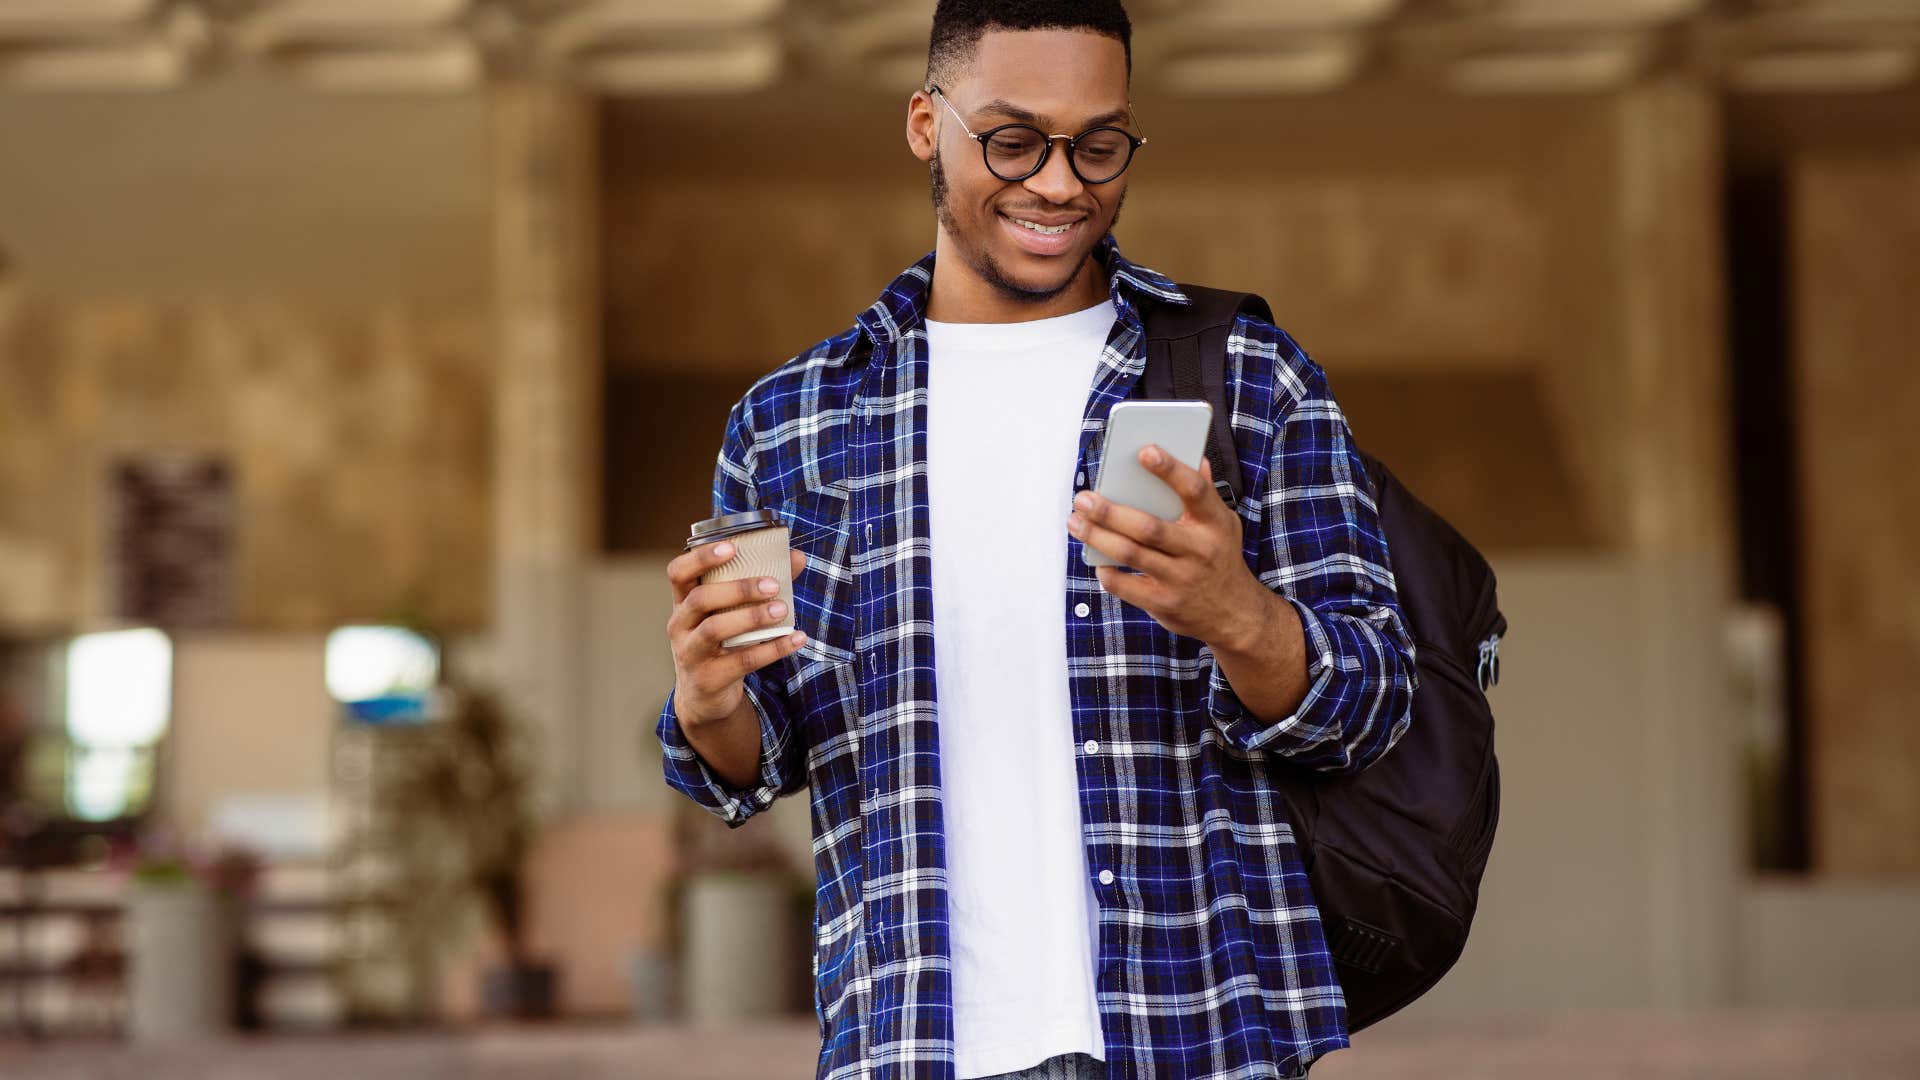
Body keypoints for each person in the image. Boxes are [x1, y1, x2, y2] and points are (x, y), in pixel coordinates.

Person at [657, 2, 1415, 1077]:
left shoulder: (1246, 376)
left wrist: (1239, 617)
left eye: (1098, 146)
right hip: (913, 1040)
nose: (1060, 184)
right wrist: (709, 703)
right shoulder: (793, 423)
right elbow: (761, 756)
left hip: (1195, 1032)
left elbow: (1377, 698)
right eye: (1014, 141)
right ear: (927, 125)